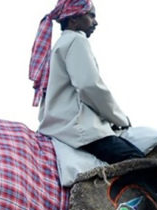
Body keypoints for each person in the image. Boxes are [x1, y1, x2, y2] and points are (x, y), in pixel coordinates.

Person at [30, 0, 145, 164]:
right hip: (79, 130)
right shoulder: (76, 41)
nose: (95, 22)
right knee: (141, 163)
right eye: (91, 16)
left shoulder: (57, 47)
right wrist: (120, 119)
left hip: (56, 129)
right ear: (73, 19)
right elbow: (89, 86)